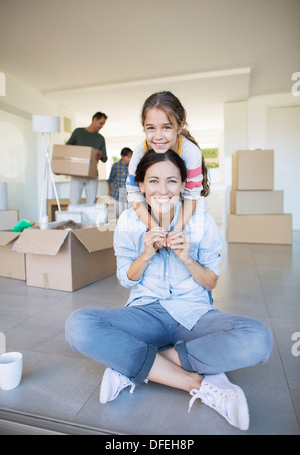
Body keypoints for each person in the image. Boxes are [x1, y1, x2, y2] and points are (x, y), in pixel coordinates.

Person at [65, 150, 273, 431]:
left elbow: (210, 282)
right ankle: (199, 382)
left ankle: (131, 365)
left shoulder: (201, 221)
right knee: (79, 325)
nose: (163, 190)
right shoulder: (128, 220)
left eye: (172, 181)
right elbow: (126, 279)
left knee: (258, 338)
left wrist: (187, 257)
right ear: (141, 186)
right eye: (153, 181)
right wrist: (146, 254)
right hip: (145, 313)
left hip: (195, 314)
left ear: (183, 185)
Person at [126, 91, 209, 245]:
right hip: (153, 209)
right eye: (151, 128)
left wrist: (176, 231)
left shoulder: (191, 153)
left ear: (180, 126)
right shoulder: (139, 153)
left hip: (185, 207)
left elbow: (191, 197)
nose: (158, 136)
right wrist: (155, 229)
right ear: (143, 127)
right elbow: (134, 193)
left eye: (166, 127)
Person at [67, 112, 108, 205]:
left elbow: (105, 158)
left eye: (103, 124)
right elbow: (67, 148)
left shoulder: (100, 138)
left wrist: (101, 155)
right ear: (94, 119)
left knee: (91, 203)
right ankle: (74, 220)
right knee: (74, 202)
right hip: (77, 173)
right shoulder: (78, 132)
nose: (102, 126)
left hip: (92, 174)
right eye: (101, 123)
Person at [108, 147, 133, 217]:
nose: (129, 159)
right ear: (122, 156)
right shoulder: (115, 166)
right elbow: (110, 180)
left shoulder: (131, 166)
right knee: (117, 214)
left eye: (131, 157)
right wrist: (109, 192)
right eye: (128, 157)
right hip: (116, 193)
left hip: (126, 193)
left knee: (126, 214)